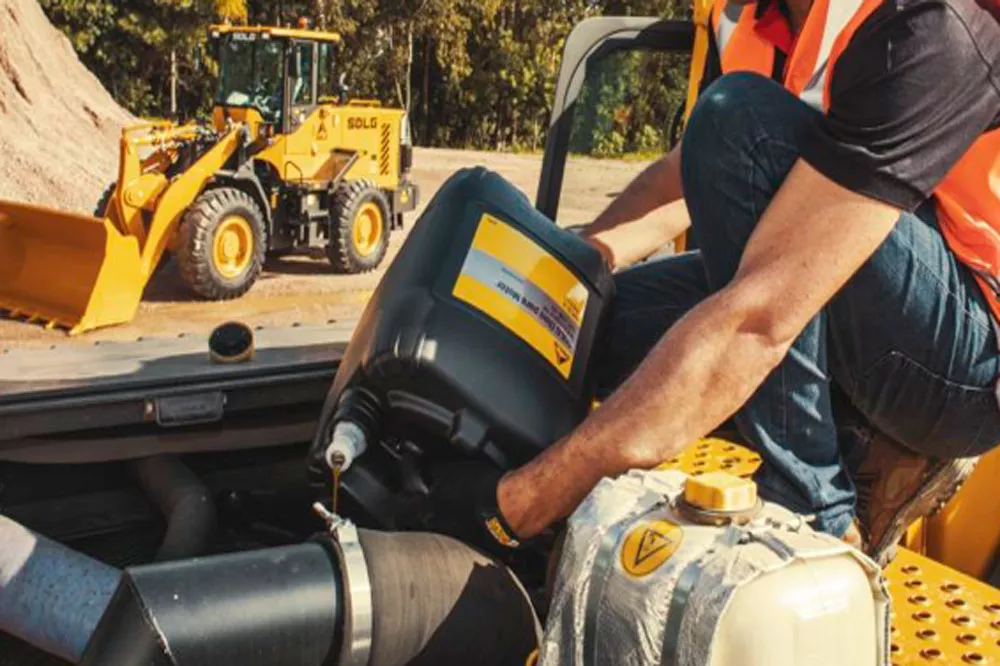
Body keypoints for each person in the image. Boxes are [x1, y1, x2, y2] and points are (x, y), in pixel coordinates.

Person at [431, 0, 1000, 566]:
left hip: (967, 359)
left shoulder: (930, 23)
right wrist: (564, 279)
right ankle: (854, 442)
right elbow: (682, 176)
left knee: (735, 120)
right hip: (836, 267)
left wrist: (520, 504)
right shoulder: (753, 22)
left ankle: (812, 511)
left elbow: (760, 315)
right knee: (596, 330)